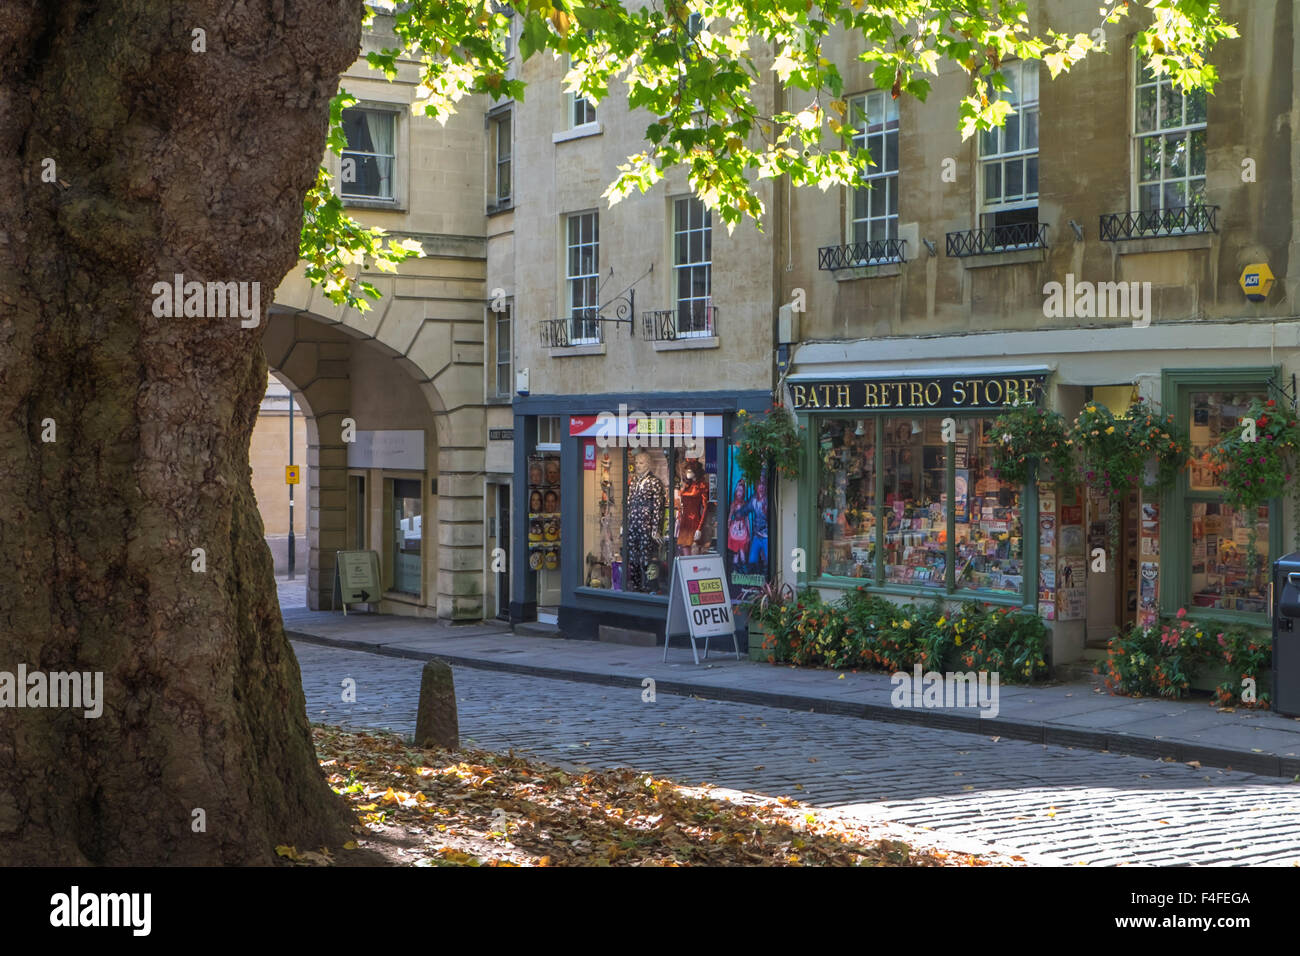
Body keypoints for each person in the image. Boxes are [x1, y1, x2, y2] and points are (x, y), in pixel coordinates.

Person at [726, 479, 750, 567]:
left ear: (743, 492)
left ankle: (742, 563)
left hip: (742, 526)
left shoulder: (745, 504)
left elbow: (747, 518)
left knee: (742, 546)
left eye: (741, 491)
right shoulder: (733, 504)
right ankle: (736, 564)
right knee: (736, 547)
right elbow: (730, 515)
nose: (739, 493)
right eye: (738, 490)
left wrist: (748, 530)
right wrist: (728, 525)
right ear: (736, 491)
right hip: (735, 526)